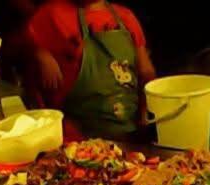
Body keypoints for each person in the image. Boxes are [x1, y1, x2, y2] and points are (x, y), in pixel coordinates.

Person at [27, 0, 156, 140]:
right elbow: (17, 45)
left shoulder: (126, 17)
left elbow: (146, 72)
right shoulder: (53, 13)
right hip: (78, 135)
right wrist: (39, 53)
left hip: (129, 131)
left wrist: (145, 112)